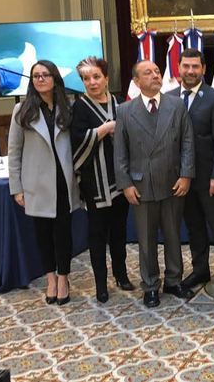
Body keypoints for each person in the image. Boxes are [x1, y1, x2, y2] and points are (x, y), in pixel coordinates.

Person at [114, 60, 195, 308]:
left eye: (157, 71)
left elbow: (187, 142)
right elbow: (120, 152)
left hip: (172, 182)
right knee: (147, 240)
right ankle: (150, 286)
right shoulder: (125, 111)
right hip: (141, 186)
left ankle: (174, 280)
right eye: (148, 73)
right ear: (137, 82)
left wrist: (186, 175)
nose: (155, 75)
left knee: (173, 235)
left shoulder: (176, 104)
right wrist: (125, 183)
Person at [8, 60, 82, 306]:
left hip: (64, 180)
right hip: (37, 183)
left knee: (63, 234)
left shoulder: (68, 106)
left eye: (45, 75)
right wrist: (16, 188)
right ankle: (50, 278)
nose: (40, 79)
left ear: (54, 78)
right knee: (43, 235)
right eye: (35, 76)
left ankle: (63, 278)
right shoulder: (22, 110)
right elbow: (14, 152)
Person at [168, 49, 214, 293]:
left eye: (195, 67)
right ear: (178, 67)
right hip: (182, 180)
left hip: (210, 179)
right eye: (186, 66)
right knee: (194, 227)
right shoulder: (169, 98)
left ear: (204, 69)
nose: (190, 71)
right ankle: (200, 270)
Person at [71, 57, 134, 303]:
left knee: (119, 231)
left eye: (96, 77)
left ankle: (121, 274)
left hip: (120, 179)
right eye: (86, 79)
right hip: (95, 183)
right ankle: (100, 284)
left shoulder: (118, 103)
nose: (91, 82)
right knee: (97, 235)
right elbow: (76, 141)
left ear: (106, 78)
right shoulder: (80, 107)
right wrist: (105, 129)